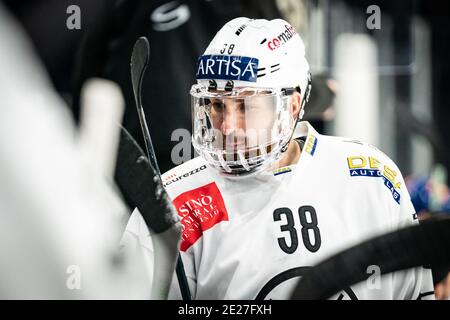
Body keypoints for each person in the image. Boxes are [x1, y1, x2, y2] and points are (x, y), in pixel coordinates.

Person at [124, 17, 434, 299]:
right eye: (217, 106)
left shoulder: (370, 177)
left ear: (292, 105)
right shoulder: (174, 201)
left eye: (245, 106)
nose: (227, 126)